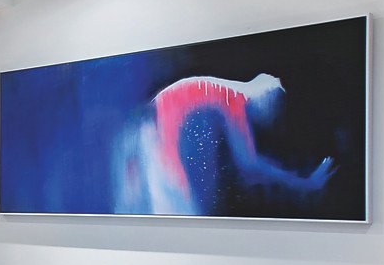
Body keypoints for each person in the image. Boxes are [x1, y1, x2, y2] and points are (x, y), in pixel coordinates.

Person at [115, 72, 336, 215]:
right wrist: (303, 182)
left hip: (145, 137)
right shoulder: (235, 99)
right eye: (275, 106)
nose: (271, 116)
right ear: (267, 96)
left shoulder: (226, 94)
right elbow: (249, 164)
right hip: (155, 140)